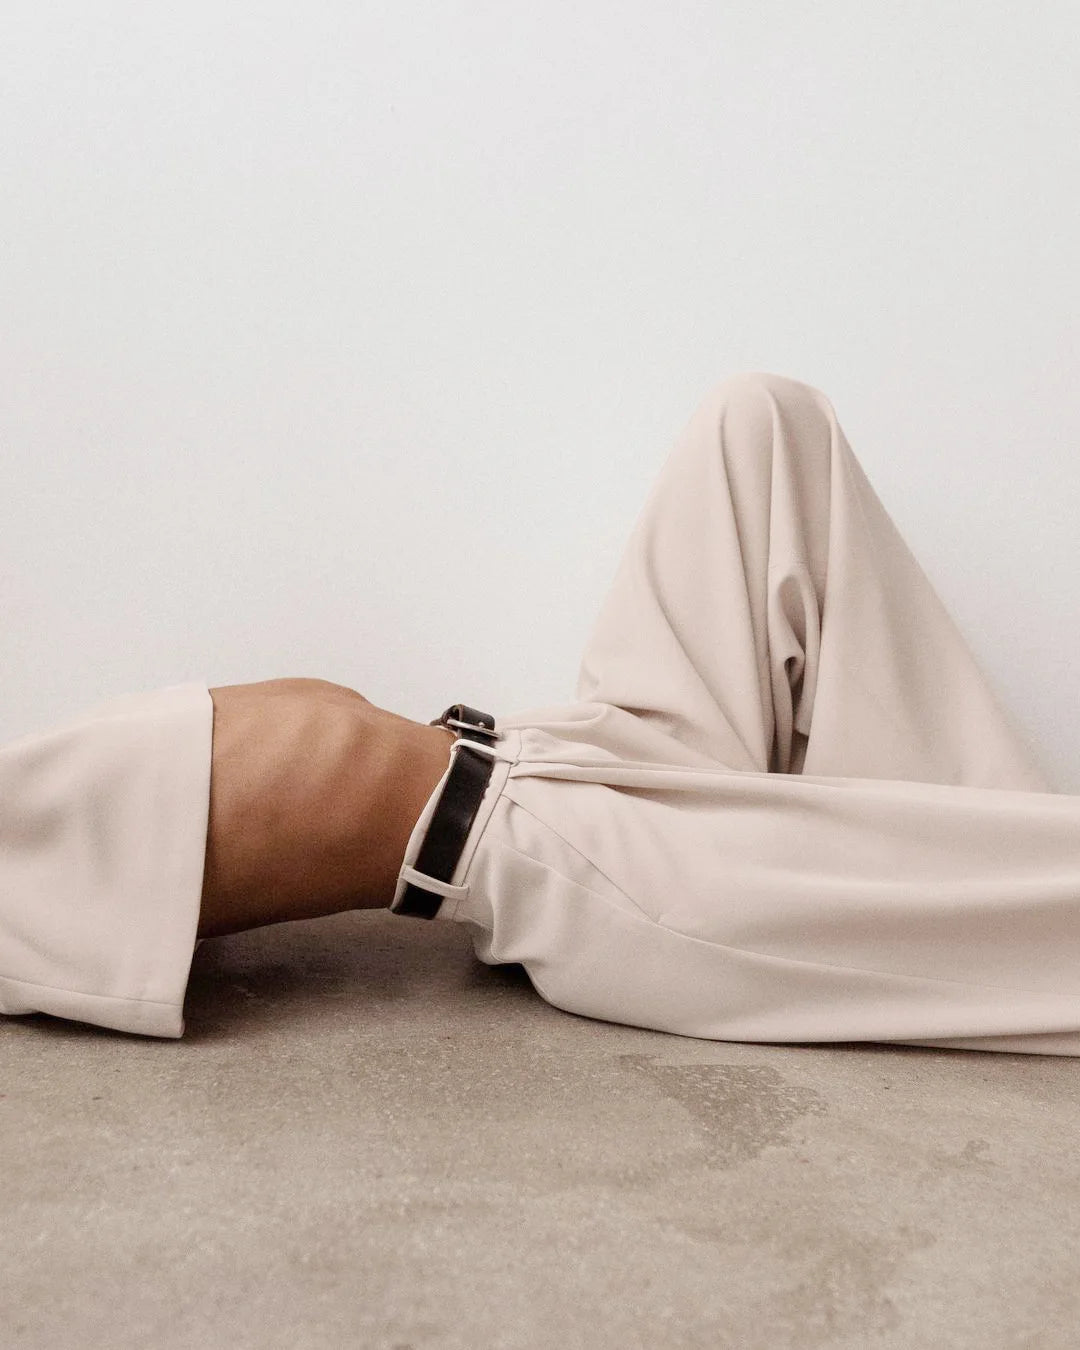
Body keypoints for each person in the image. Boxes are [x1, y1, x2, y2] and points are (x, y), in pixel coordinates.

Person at [4, 371, 1080, 1054]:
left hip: (557, 750)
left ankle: (991, 858)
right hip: (557, 857)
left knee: (762, 420)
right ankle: (1010, 904)